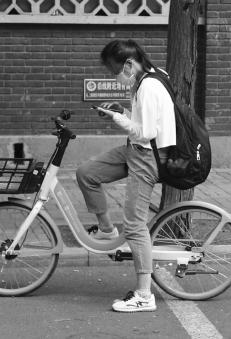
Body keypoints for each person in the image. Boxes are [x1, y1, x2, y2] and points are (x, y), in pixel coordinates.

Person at [76, 39, 176, 313]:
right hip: (136, 151)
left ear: (129, 64)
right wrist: (122, 111)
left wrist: (117, 119)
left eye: (115, 70)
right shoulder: (146, 80)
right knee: (87, 173)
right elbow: (144, 122)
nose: (115, 76)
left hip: (148, 157)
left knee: (134, 224)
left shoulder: (150, 87)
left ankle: (145, 295)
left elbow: (146, 133)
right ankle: (107, 231)